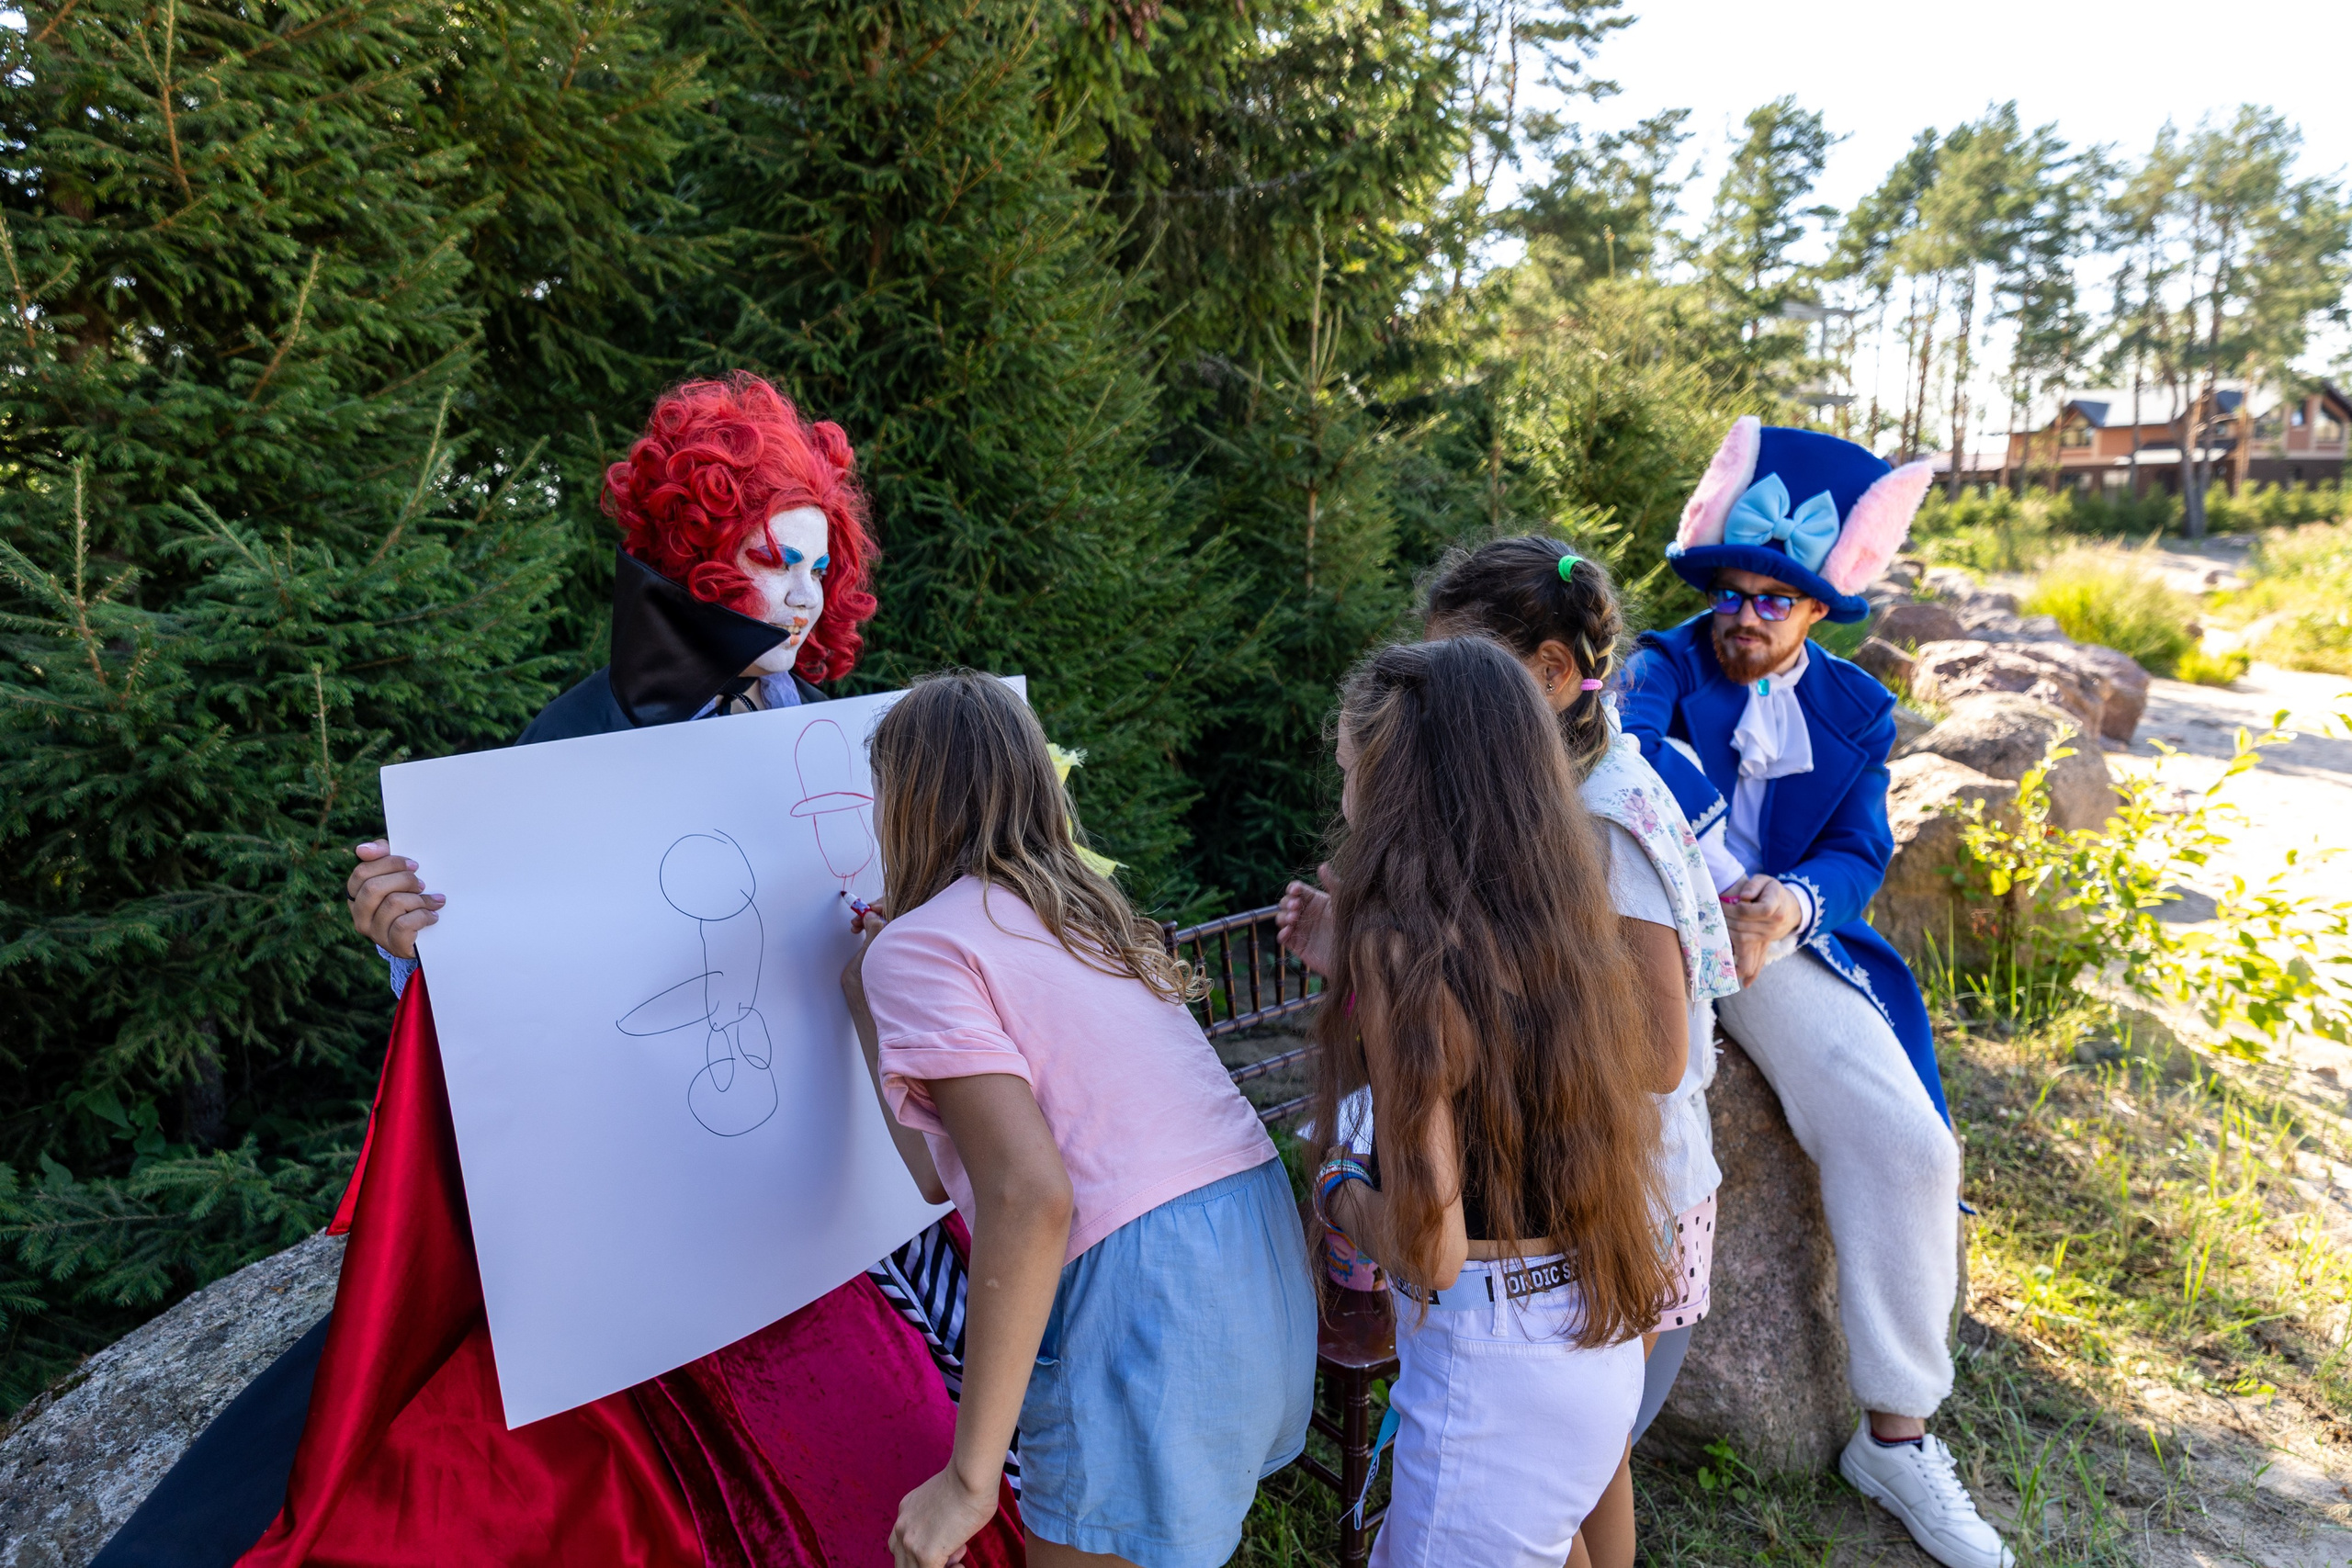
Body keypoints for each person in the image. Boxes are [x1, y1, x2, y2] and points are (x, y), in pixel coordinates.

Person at [96, 375, 1026, 1568]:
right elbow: (515, 997)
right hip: (652, 1184)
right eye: (769, 560)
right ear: (695, 553)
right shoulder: (579, 741)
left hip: (832, 1165)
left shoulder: (831, 730)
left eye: (814, 566)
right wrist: (415, 940)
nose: (798, 595)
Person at [1619, 415, 2010, 1568]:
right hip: (1645, 917)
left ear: (1816, 610)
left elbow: (1857, 849)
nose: (1743, 616)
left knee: (1910, 1147)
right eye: (1733, 592)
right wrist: (1720, 893)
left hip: (1775, 939)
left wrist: (1788, 906)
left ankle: (1895, 1435)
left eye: (1771, 601)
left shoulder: (1857, 710)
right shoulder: (1659, 662)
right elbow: (1640, 762)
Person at [841, 671, 1316, 1568]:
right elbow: (939, 1174)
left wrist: (969, 1481)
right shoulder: (1087, 912)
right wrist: (868, 1004)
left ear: (905, 801)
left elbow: (1027, 1195)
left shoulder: (923, 943)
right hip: (1253, 1256)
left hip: (1141, 1290)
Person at [1283, 637, 1677, 1568]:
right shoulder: (1560, 904)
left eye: (1348, 771)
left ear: (1393, 785)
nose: (1342, 798)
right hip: (1589, 1334)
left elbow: (1429, 1248)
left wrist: (1335, 1180)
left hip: (1489, 1375)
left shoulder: (1398, 950)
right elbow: (1491, 1048)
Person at [1419, 537, 1740, 1568]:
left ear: (1552, 673)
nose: (1442, 709)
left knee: (1547, 1471)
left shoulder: (1601, 819)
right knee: (1590, 1457)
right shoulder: (1589, 776)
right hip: (1605, 1174)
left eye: (1465, 678)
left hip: (1629, 1191)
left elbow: (1652, 1051)